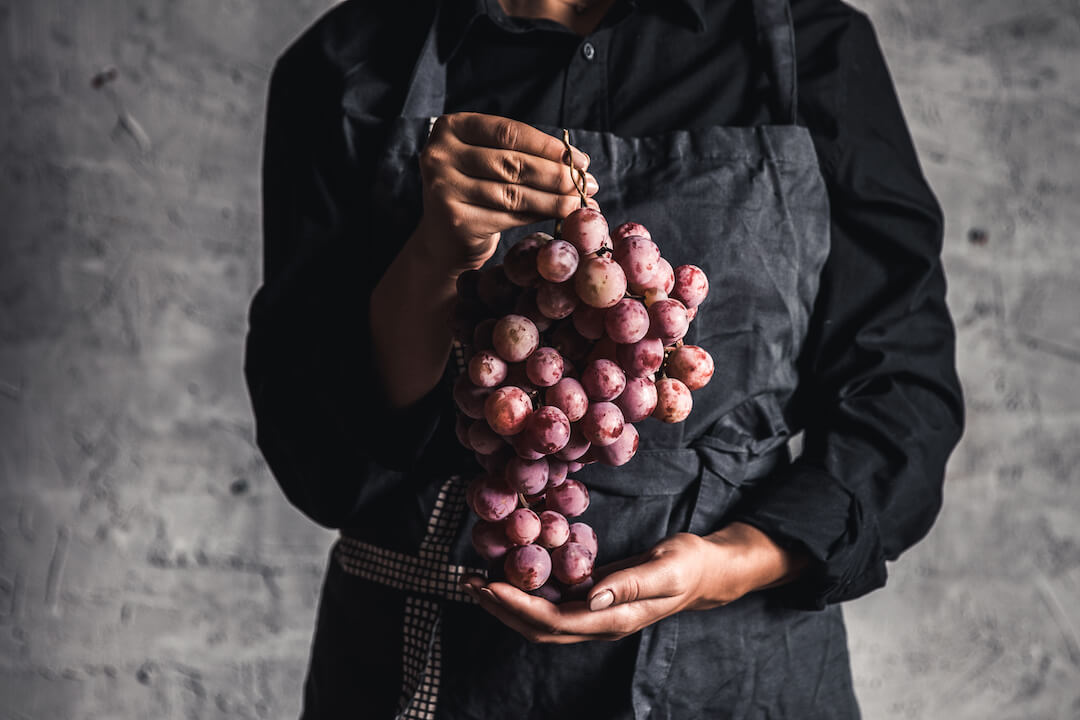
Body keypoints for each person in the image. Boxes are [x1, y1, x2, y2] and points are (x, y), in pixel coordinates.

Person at [244, 0, 964, 717]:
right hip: (431, 672)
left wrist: (733, 563)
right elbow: (320, 454)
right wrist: (432, 258)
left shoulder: (815, 49)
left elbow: (902, 392)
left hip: (737, 681)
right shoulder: (347, 66)